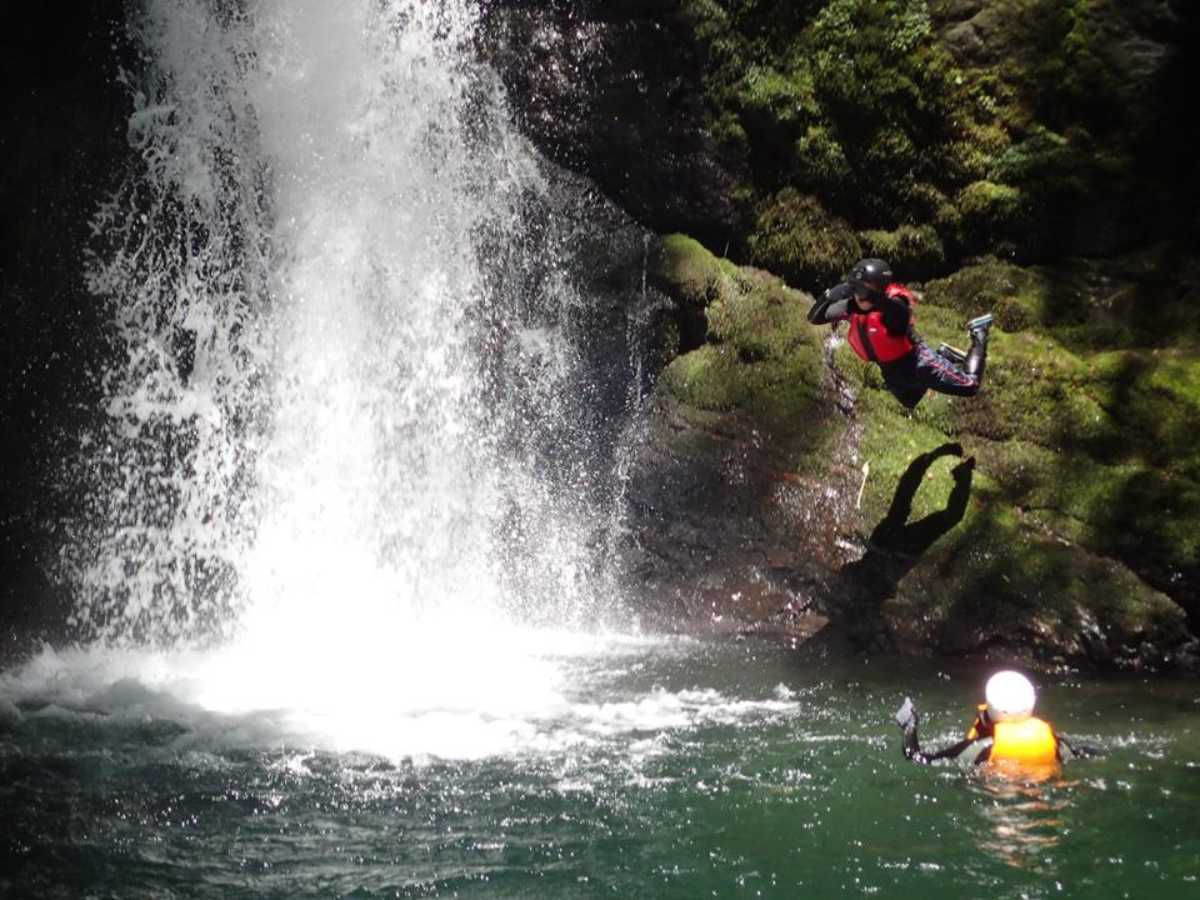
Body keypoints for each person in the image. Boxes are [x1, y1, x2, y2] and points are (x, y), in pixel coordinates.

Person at [807, 258, 994, 410]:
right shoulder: (853, 307)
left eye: (863, 290)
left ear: (879, 290)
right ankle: (945, 355)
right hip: (894, 374)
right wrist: (830, 295)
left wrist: (866, 293)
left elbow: (894, 309)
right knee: (910, 402)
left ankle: (979, 333)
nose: (858, 296)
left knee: (970, 386)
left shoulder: (895, 308)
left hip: (920, 363)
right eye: (855, 290)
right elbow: (815, 318)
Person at [894, 670, 1098, 770]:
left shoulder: (979, 749)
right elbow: (1090, 753)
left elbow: (919, 759)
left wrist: (910, 727)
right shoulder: (1056, 744)